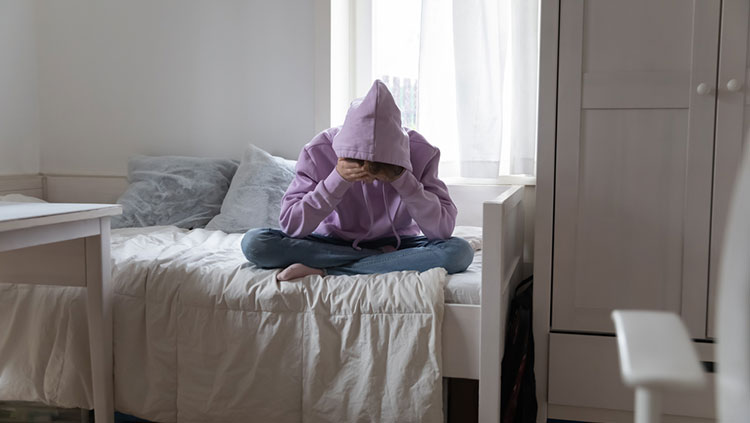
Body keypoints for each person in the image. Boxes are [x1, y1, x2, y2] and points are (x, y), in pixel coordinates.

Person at [241, 80, 474, 281]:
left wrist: (403, 179)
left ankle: (329, 270)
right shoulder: (319, 150)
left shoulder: (422, 152)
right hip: (330, 243)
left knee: (458, 252)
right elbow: (291, 225)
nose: (368, 175)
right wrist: (338, 179)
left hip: (400, 243)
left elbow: (442, 230)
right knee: (255, 243)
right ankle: (382, 261)